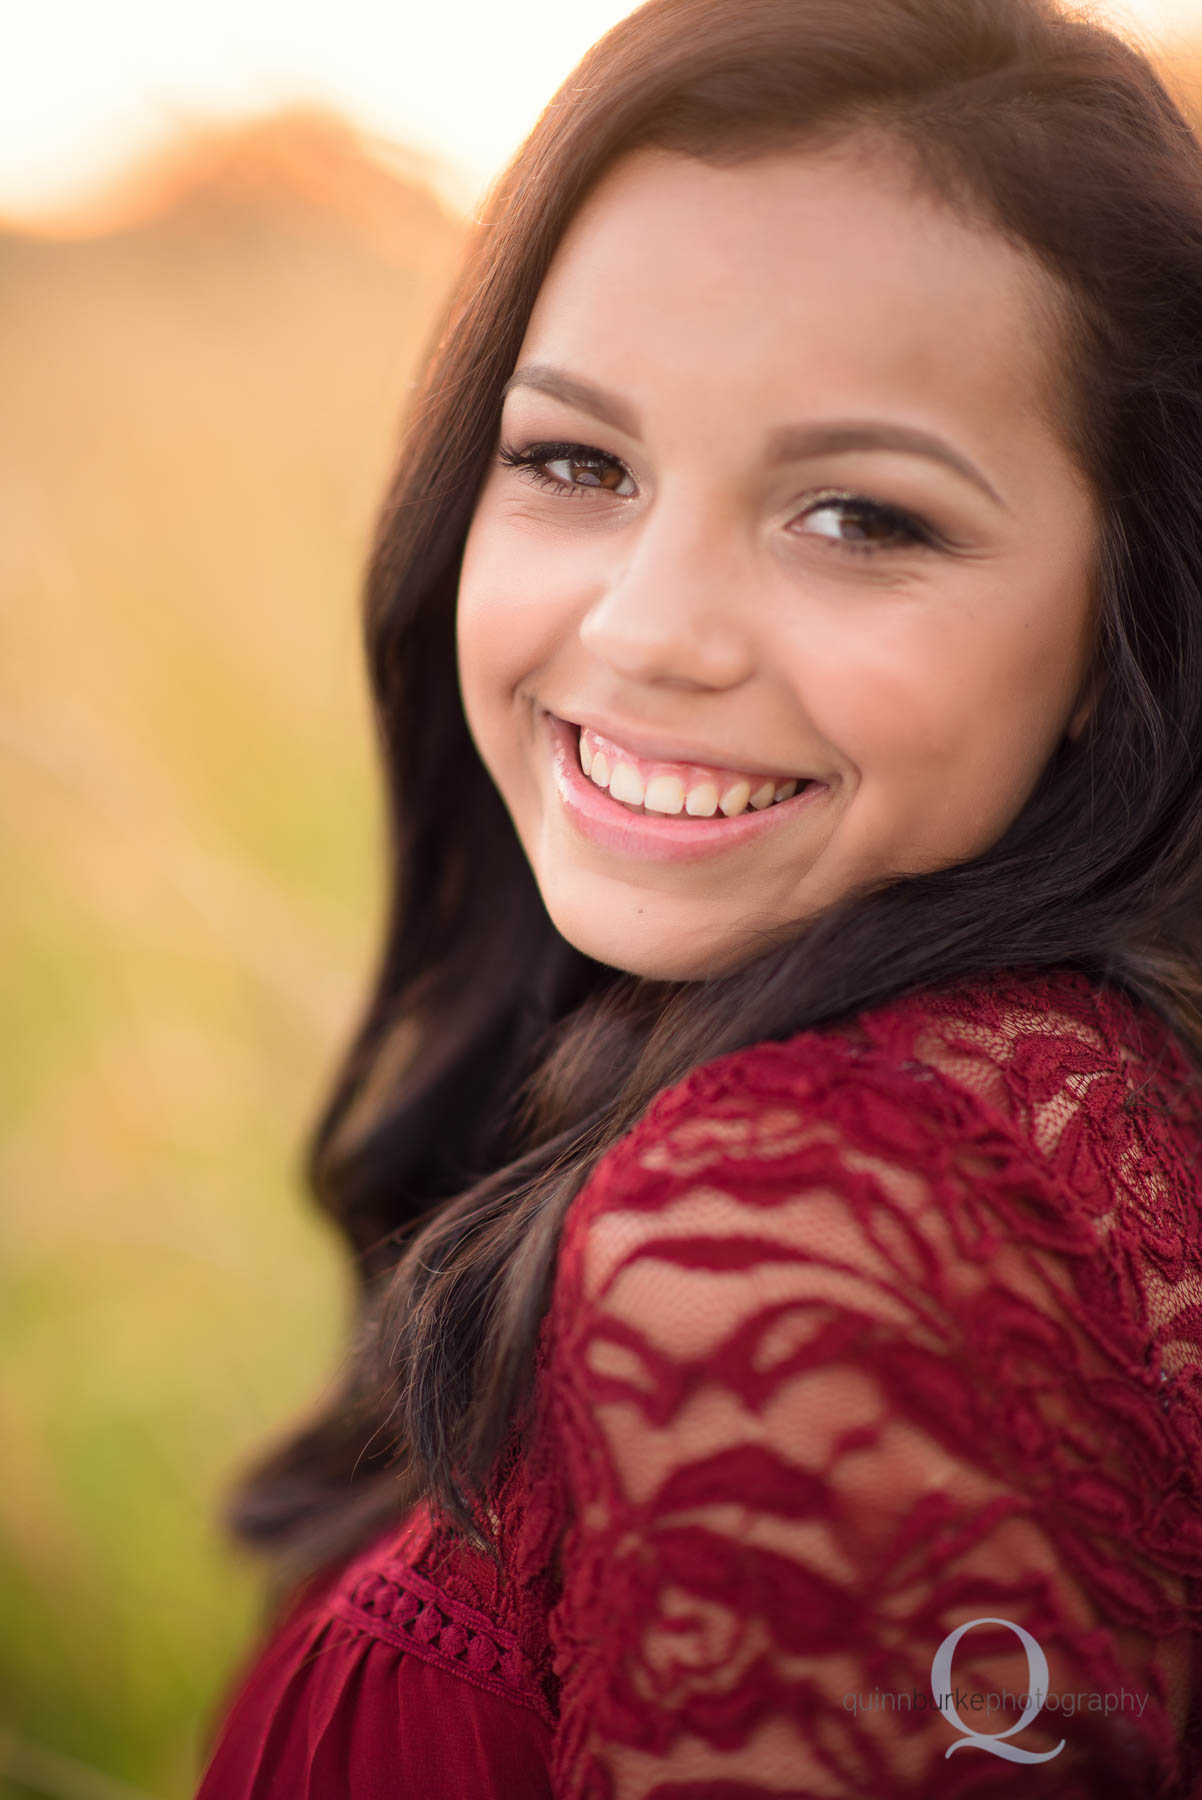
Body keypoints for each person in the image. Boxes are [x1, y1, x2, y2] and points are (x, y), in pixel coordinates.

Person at [194, 0, 1202, 1792]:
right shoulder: (1064, 1095)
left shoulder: (792, 1221)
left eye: (861, 518)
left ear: (1124, 623)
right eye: (575, 464)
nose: (649, 631)